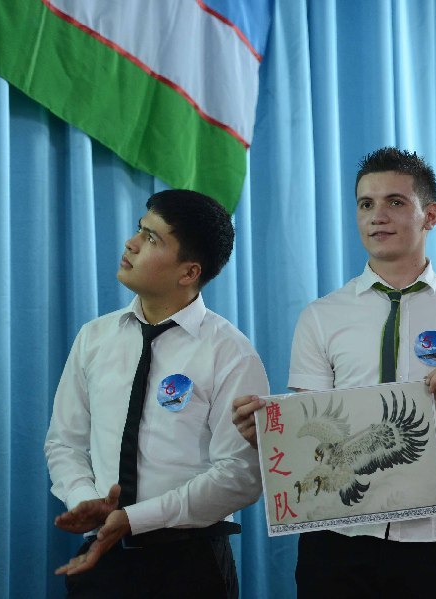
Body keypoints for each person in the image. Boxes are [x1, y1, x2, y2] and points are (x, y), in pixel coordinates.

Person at [233, 147, 436, 598]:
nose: (377, 216)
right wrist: (267, 434)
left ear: (430, 216)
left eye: (395, 202)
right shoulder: (321, 316)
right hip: (334, 539)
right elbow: (310, 445)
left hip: (429, 543)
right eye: (366, 204)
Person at [45, 189, 268, 598]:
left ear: (189, 272)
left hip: (189, 564)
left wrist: (136, 518)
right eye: (139, 230)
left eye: (151, 238)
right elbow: (64, 442)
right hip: (101, 557)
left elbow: (240, 475)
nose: (131, 244)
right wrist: (87, 502)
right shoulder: (94, 337)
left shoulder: (230, 353)